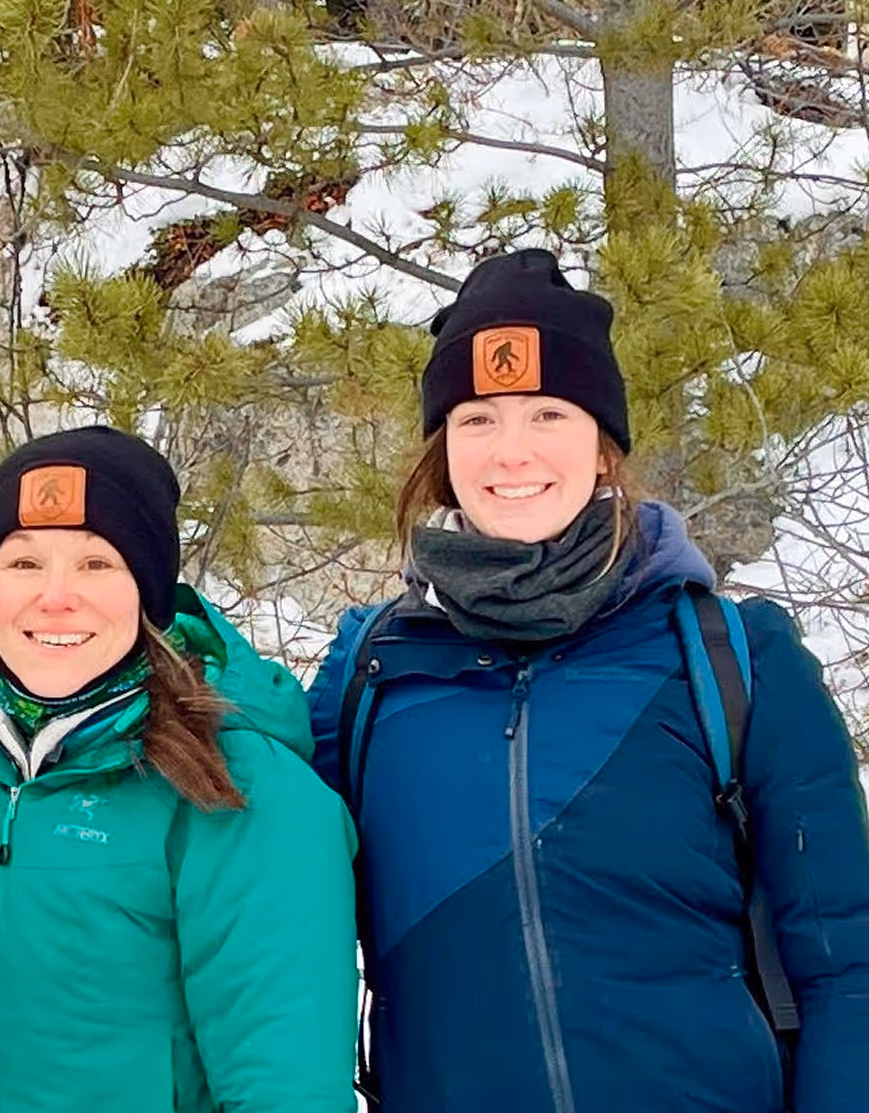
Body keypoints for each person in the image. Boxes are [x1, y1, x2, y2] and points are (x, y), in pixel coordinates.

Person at [307, 248, 869, 1112]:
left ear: (604, 446)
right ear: (442, 448)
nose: (512, 451)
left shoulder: (731, 657)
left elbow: (848, 964)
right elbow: (246, 901)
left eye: (548, 414)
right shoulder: (370, 674)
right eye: (477, 421)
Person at [0, 426, 360, 1113]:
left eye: (97, 563)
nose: (56, 596)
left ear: (149, 593)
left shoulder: (235, 782)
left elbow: (287, 1087)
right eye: (23, 563)